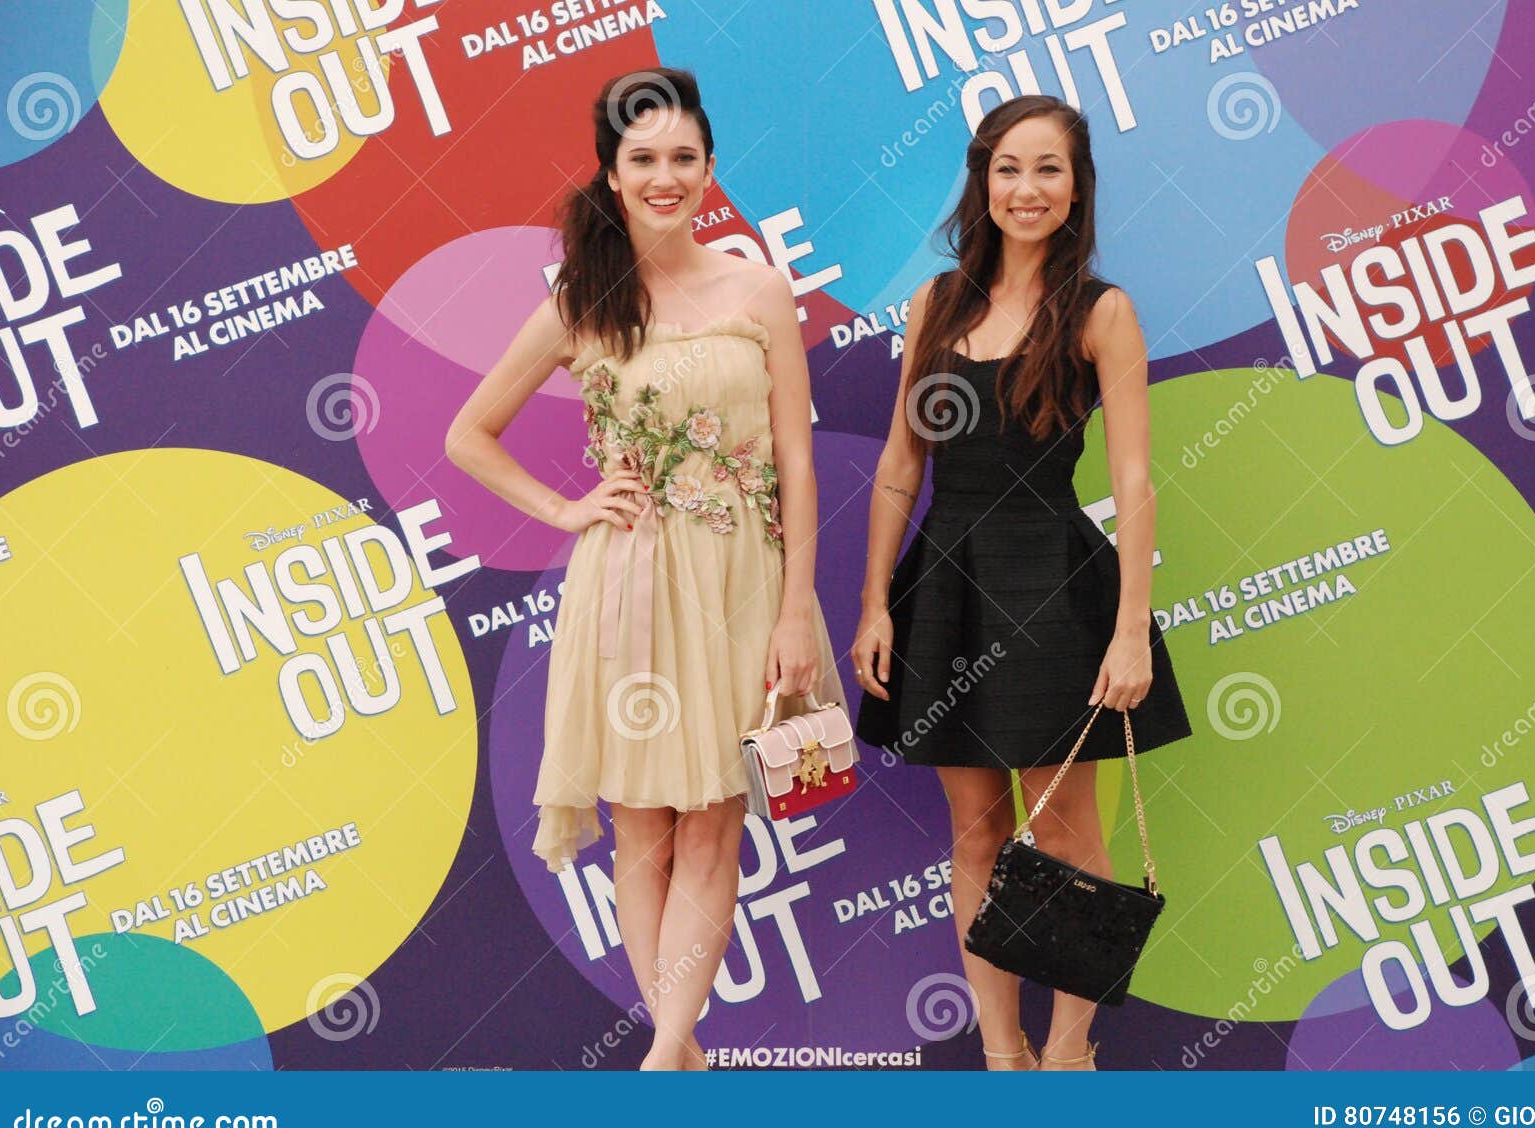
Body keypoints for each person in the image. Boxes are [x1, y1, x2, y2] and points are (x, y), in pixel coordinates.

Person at [446, 67, 849, 1070]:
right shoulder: (583, 302)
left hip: (743, 586)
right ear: (612, 175)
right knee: (644, 834)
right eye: (643, 160)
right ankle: (678, 1050)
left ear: (709, 170)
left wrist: (796, 609)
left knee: (714, 825)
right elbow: (469, 435)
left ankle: (668, 1050)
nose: (664, 176)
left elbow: (796, 460)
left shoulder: (757, 288)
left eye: (682, 158)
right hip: (626, 592)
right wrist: (568, 510)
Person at [852, 95, 1193, 1071]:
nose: (1026, 189)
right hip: (943, 589)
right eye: (1008, 168)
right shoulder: (935, 305)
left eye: (1048, 169)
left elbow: (1132, 481)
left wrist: (1131, 630)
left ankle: (1067, 1054)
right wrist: (876, 601)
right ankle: (1002, 1056)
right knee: (975, 829)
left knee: (1067, 831)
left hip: (1052, 585)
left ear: (1076, 185)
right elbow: (898, 466)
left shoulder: (1099, 311)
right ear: (981, 181)